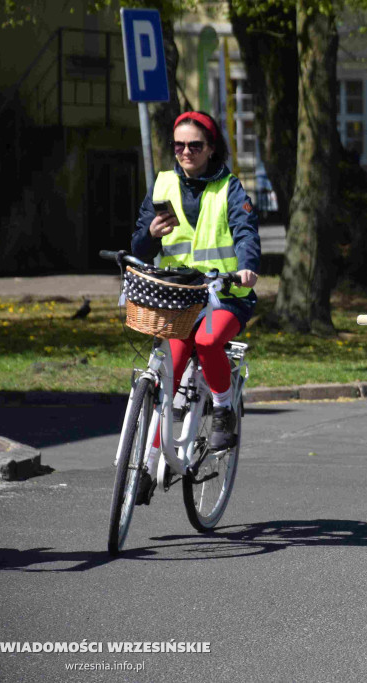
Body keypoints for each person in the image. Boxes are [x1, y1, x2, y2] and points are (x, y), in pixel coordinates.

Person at [130, 110, 261, 504]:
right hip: (180, 298)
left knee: (207, 341)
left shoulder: (229, 188)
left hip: (226, 295)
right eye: (179, 146)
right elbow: (140, 246)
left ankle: (222, 409)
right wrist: (149, 235)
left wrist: (247, 266)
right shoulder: (163, 184)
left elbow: (246, 233)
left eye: (195, 145)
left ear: (211, 148)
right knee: (167, 373)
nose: (186, 152)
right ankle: (147, 465)